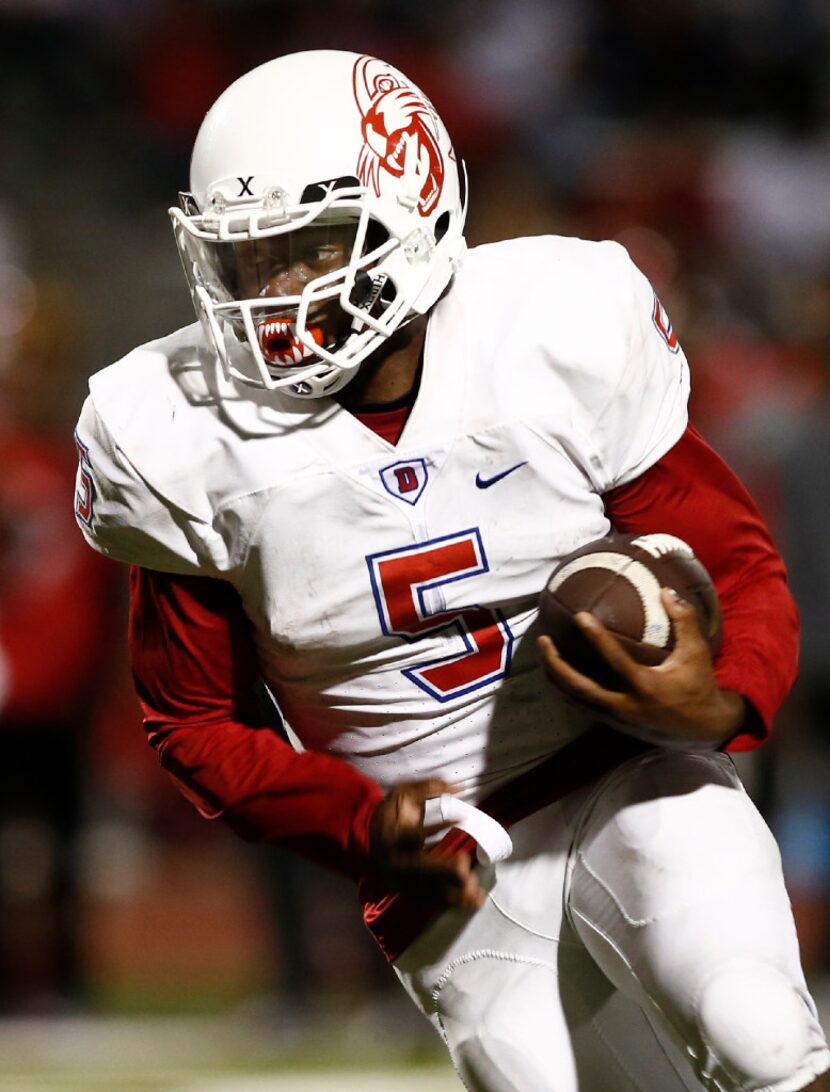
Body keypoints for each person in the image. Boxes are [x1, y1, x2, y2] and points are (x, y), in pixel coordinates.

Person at [73, 49, 830, 1091]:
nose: (273, 291)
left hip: (627, 769)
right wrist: (354, 822)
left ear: (410, 206)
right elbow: (193, 722)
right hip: (446, 868)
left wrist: (717, 697)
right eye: (248, 259)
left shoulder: (548, 324)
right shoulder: (176, 433)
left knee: (757, 1034)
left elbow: (734, 563)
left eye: (308, 247)